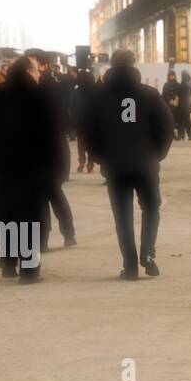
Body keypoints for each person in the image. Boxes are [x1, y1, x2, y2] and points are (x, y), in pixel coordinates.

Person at [79, 48, 173, 279]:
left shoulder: (98, 97)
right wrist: (157, 154)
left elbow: (87, 131)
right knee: (151, 208)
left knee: (122, 215)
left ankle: (129, 265)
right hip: (146, 164)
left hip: (114, 166)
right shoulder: (149, 94)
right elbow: (166, 127)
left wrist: (100, 156)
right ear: (134, 64)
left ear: (110, 65)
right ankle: (148, 253)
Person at [0, 55, 60, 283]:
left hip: (3, 167)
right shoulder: (39, 96)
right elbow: (51, 135)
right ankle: (29, 269)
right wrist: (54, 166)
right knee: (31, 216)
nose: (39, 73)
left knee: (6, 214)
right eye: (35, 70)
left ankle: (7, 263)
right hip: (33, 167)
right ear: (26, 71)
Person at [24, 48, 75, 248]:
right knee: (50, 195)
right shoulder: (39, 88)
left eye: (32, 64)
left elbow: (54, 125)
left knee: (49, 194)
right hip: (48, 154)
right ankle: (63, 234)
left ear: (43, 66)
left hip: (51, 154)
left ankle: (55, 236)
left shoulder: (46, 89)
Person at [71, 69, 97, 172]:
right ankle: (90, 162)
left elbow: (71, 106)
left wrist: (73, 120)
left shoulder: (76, 91)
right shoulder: (96, 91)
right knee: (91, 142)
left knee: (81, 143)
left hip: (80, 122)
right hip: (92, 122)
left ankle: (82, 161)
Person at [175, 70, 191, 140]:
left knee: (181, 121)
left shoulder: (183, 84)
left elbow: (179, 94)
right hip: (188, 104)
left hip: (182, 104)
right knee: (187, 121)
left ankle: (181, 135)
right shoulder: (190, 84)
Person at [161, 70, 180, 134]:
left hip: (176, 105)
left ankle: (174, 133)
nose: (170, 77)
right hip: (168, 104)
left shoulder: (178, 84)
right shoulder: (166, 85)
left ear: (174, 76)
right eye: (169, 75)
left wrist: (176, 100)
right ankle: (171, 133)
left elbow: (179, 93)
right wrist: (170, 100)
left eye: (172, 75)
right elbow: (164, 94)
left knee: (175, 119)